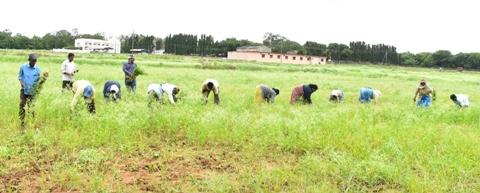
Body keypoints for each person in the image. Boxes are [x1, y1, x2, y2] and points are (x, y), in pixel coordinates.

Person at [18, 54, 41, 126]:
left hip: (32, 91)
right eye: (33, 61)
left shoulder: (37, 69)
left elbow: (39, 81)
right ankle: (22, 121)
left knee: (31, 107)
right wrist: (22, 83)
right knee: (22, 105)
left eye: (35, 61)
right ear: (29, 60)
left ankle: (33, 122)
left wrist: (41, 83)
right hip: (24, 90)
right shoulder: (23, 67)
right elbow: (20, 77)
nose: (34, 63)